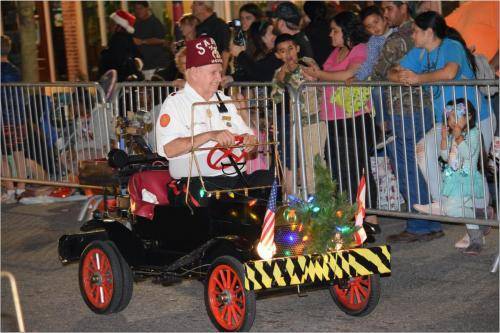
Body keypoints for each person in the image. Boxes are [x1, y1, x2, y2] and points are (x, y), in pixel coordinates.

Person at [392, 11, 495, 218]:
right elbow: (391, 72)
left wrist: (418, 78)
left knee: (469, 167)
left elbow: (450, 72)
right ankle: (442, 201)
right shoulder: (419, 53)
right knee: (424, 150)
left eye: (415, 32)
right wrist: (403, 76)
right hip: (447, 122)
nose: (412, 36)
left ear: (429, 32)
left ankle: (481, 213)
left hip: (474, 119)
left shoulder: (451, 46)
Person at [156, 36, 272, 198]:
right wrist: (210, 135)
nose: (219, 77)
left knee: (268, 180)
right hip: (197, 183)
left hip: (234, 178)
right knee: (209, 197)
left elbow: (249, 137)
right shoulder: (176, 103)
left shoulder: (224, 100)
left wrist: (249, 141)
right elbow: (169, 149)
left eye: (220, 71)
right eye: (213, 72)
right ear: (194, 72)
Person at [302, 11, 378, 216]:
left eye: (335, 30)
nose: (331, 35)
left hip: (354, 117)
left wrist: (319, 74)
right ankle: (349, 214)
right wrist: (315, 74)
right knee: (339, 169)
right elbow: (329, 77)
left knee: (356, 169)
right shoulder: (336, 52)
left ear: (347, 31)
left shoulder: (360, 49)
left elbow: (349, 74)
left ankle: (369, 217)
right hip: (335, 118)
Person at [415, 100, 489, 255]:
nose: (452, 121)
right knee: (457, 210)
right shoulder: (451, 136)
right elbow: (445, 156)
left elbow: (467, 154)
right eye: (450, 117)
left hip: (466, 179)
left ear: (468, 117)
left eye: (456, 116)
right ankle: (477, 234)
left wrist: (459, 138)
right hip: (453, 179)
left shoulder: (473, 133)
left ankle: (440, 208)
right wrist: (444, 140)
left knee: (452, 210)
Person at [271, 33, 325, 194]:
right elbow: (276, 97)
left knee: (315, 161)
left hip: (314, 120)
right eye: (282, 51)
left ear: (297, 49)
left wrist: (293, 71)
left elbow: (313, 77)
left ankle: (321, 198)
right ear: (277, 55)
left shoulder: (307, 62)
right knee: (302, 162)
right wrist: (281, 79)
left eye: (290, 49)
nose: (288, 54)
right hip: (295, 123)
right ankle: (309, 199)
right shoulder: (279, 72)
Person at [1, 35, 26, 203]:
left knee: (2, 156)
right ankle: (21, 187)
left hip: (2, 118)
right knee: (19, 153)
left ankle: (10, 189)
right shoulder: (14, 70)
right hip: (17, 117)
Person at [132, 1, 172, 80]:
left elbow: (162, 40)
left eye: (140, 8)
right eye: (136, 9)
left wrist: (142, 41)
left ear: (147, 8)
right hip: (143, 64)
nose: (138, 11)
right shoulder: (136, 23)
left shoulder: (154, 22)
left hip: (155, 64)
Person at [99, 10, 143, 82]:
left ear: (119, 26)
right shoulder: (127, 39)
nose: (109, 26)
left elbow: (116, 61)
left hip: (120, 82)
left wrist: (104, 53)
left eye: (112, 23)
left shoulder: (118, 39)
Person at [192, 1, 231, 74]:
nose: (192, 7)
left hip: (215, 74)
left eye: (195, 3)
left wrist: (221, 76)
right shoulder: (198, 27)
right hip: (201, 74)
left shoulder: (220, 25)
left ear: (204, 5)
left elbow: (225, 52)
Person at [302, 1, 333, 67]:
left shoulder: (307, 31)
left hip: (317, 68)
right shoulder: (332, 26)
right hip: (333, 65)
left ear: (308, 14)